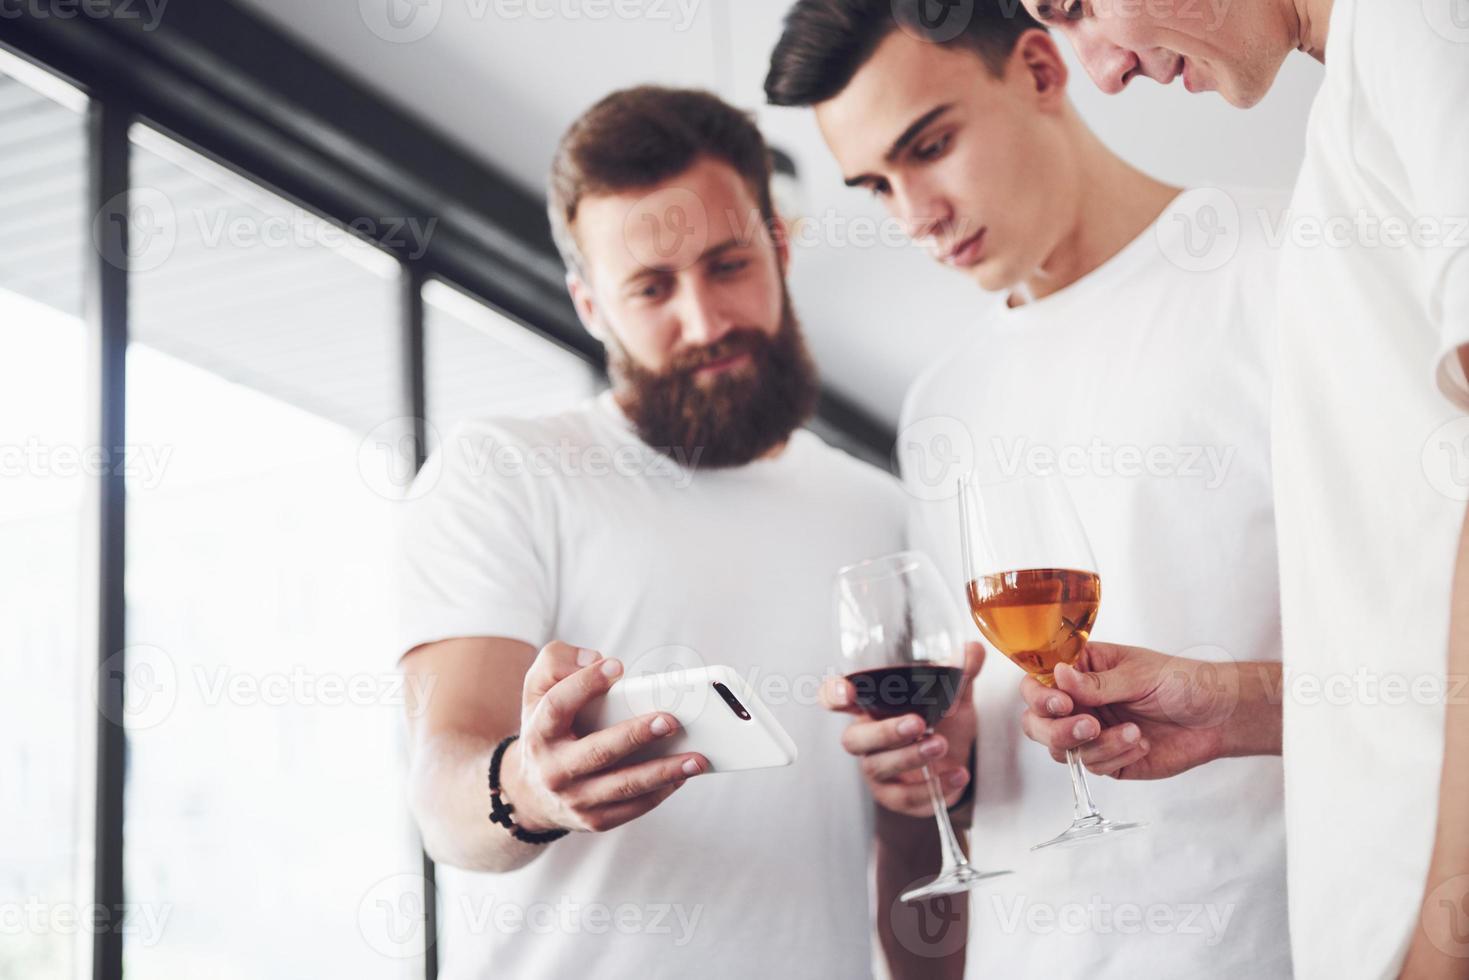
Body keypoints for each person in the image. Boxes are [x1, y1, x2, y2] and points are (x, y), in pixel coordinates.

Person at [393, 84, 977, 980]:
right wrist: (530, 789)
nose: (704, 321)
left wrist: (932, 789)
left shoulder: (878, 509)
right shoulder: (505, 472)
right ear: (592, 307)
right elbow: (443, 797)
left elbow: (916, 852)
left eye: (728, 265)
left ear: (779, 248)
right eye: (652, 287)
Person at [765, 2, 1290, 975]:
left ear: (1042, 70)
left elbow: (1423, 664)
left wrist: (1234, 702)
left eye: (928, 145)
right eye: (876, 184)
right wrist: (945, 755)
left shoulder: (1278, 268)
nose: (912, 214)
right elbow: (993, 720)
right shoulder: (940, 402)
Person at [993, 0, 1469, 975]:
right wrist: (1231, 708)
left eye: (1073, 7)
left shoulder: (1415, 31)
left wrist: (1440, 927)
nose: (1102, 71)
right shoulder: (1356, 100)